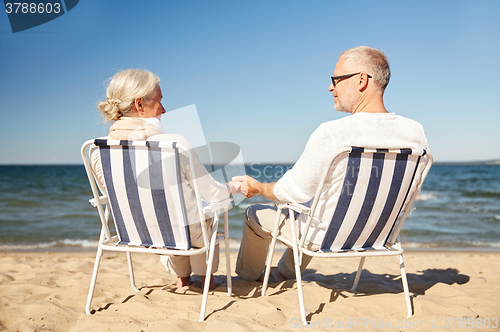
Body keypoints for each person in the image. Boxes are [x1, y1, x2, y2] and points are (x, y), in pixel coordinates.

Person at [233, 46, 430, 283]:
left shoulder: (333, 133)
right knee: (319, 202)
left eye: (336, 80)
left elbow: (292, 191)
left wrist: (258, 188)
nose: (330, 87)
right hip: (377, 236)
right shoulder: (415, 132)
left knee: (255, 214)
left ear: (361, 80)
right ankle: (285, 271)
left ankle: (248, 277)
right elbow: (410, 192)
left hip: (327, 238)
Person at [91, 69, 241, 289]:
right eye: (160, 101)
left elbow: (115, 195)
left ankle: (182, 278)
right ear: (139, 105)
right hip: (184, 236)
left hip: (139, 233)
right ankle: (207, 278)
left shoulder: (97, 151)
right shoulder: (172, 144)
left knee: (169, 212)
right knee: (202, 215)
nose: (163, 109)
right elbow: (212, 193)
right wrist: (232, 186)